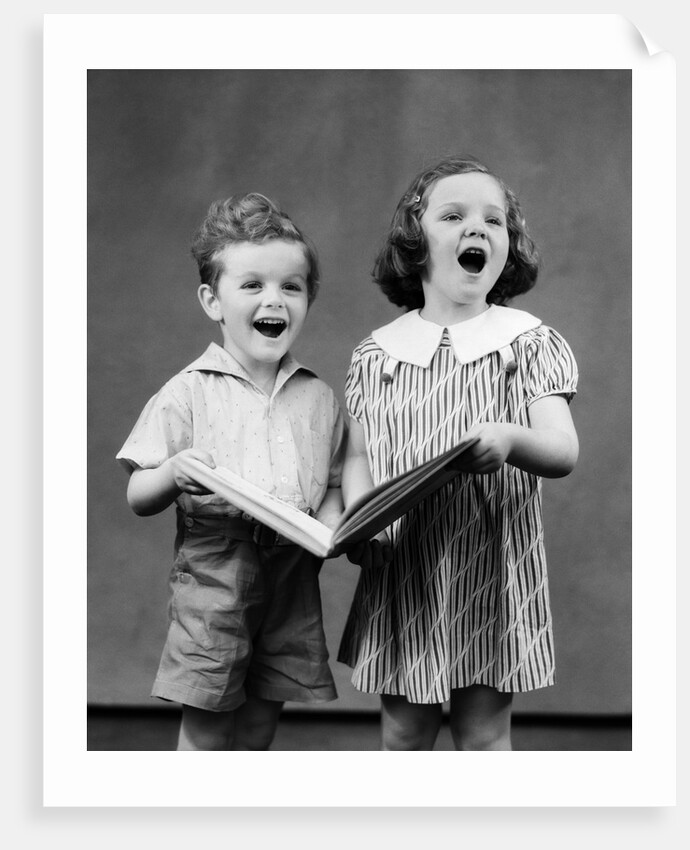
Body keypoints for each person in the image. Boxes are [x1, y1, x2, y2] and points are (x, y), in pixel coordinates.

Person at [338, 156, 579, 751]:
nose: (477, 229)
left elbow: (562, 448)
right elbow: (358, 456)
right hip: (406, 565)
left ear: (508, 245)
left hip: (492, 562)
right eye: (454, 215)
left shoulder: (526, 343)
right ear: (415, 241)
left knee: (483, 731)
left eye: (493, 220)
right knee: (404, 729)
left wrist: (510, 438)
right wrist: (360, 520)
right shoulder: (377, 356)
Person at [116, 193, 346, 750]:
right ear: (212, 301)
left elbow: (335, 484)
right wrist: (172, 471)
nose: (275, 298)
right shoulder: (187, 391)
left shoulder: (319, 397)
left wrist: (334, 529)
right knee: (208, 721)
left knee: (263, 717)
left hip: (292, 573)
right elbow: (139, 493)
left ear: (308, 298)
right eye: (252, 285)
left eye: (291, 286)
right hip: (216, 570)